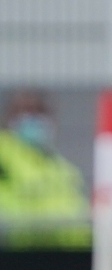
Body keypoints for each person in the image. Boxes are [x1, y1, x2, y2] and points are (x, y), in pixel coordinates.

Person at [0, 89, 92, 249]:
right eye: (26, 112)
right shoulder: (4, 156)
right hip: (14, 252)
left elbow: (78, 219)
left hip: (63, 254)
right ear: (11, 119)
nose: (34, 119)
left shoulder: (63, 169)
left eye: (40, 112)